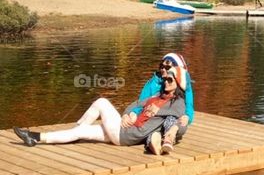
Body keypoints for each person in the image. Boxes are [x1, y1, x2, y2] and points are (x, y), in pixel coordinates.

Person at [13, 66, 187, 154]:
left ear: (178, 83)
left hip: (127, 135)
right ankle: (35, 137)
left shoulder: (177, 103)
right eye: (165, 79)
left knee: (102, 102)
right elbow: (135, 104)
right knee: (81, 131)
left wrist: (178, 128)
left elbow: (179, 124)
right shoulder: (156, 95)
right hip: (122, 127)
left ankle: (75, 130)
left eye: (170, 80)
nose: (166, 82)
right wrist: (128, 114)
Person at [132, 52, 194, 144]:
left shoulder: (184, 83)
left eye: (168, 67)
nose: (163, 69)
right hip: (152, 117)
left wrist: (187, 117)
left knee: (173, 119)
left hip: (172, 116)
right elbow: (142, 102)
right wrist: (133, 113)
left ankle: (167, 139)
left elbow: (189, 104)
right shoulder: (154, 82)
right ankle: (154, 141)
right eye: (161, 66)